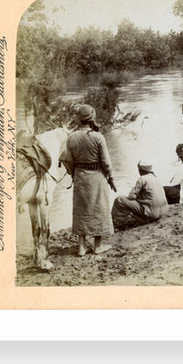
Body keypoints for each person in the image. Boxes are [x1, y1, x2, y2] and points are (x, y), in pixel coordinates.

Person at [59, 104, 117, 255]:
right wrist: (111, 176)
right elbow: (106, 162)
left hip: (80, 176)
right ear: (92, 119)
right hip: (97, 177)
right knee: (99, 208)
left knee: (81, 210)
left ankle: (81, 246)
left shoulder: (71, 138)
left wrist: (74, 174)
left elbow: (68, 160)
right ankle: (98, 246)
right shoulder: (98, 137)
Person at [111, 160, 168, 230]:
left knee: (119, 199)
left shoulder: (142, 179)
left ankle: (119, 222)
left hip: (152, 214)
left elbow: (131, 196)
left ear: (140, 170)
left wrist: (136, 197)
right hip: (163, 212)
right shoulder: (155, 178)